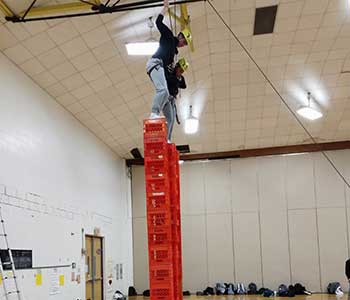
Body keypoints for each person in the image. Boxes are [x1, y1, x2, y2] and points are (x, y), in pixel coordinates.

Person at [146, 0, 192, 132]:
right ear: (181, 37)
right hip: (155, 63)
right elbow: (158, 23)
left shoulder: (173, 54)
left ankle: (168, 140)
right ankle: (154, 113)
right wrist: (165, 8)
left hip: (160, 67)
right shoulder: (169, 37)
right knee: (163, 91)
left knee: (170, 118)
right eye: (184, 42)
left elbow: (173, 77)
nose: (183, 45)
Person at [163, 58, 188, 141]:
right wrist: (177, 78)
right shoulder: (170, 76)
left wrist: (179, 77)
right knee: (169, 118)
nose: (181, 73)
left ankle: (168, 139)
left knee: (172, 120)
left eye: (182, 71)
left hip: (173, 99)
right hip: (167, 98)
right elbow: (172, 81)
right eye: (180, 70)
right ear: (176, 67)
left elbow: (184, 86)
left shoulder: (179, 77)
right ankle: (166, 139)